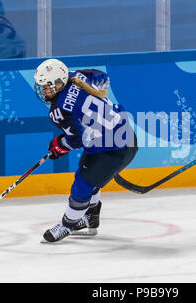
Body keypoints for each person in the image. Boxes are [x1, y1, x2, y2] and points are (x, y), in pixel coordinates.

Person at [33, 58, 138, 243]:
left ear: (58, 83)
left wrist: (60, 145)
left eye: (46, 86)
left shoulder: (58, 111)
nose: (43, 90)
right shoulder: (76, 76)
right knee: (85, 170)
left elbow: (77, 139)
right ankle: (90, 216)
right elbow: (103, 77)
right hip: (126, 136)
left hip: (113, 149)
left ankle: (67, 226)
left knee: (82, 185)